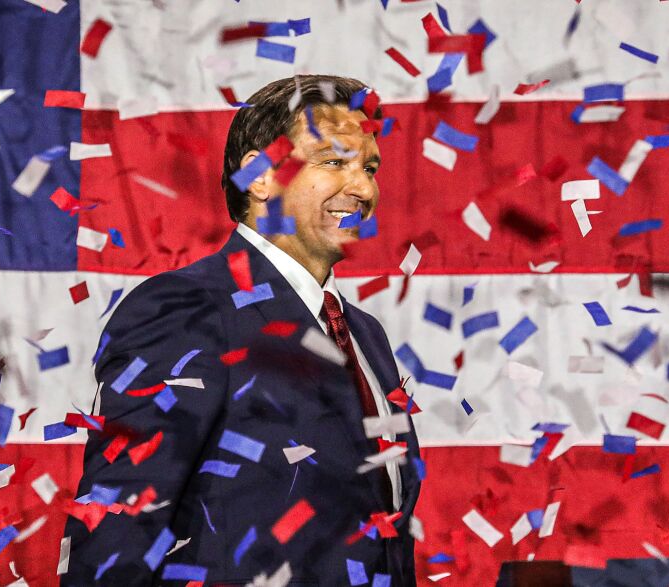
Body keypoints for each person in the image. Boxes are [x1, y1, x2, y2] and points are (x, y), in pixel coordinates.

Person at [62, 75, 422, 586]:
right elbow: (117, 524)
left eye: (369, 167)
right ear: (259, 176)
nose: (363, 188)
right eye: (334, 161)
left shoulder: (365, 334)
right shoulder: (186, 309)